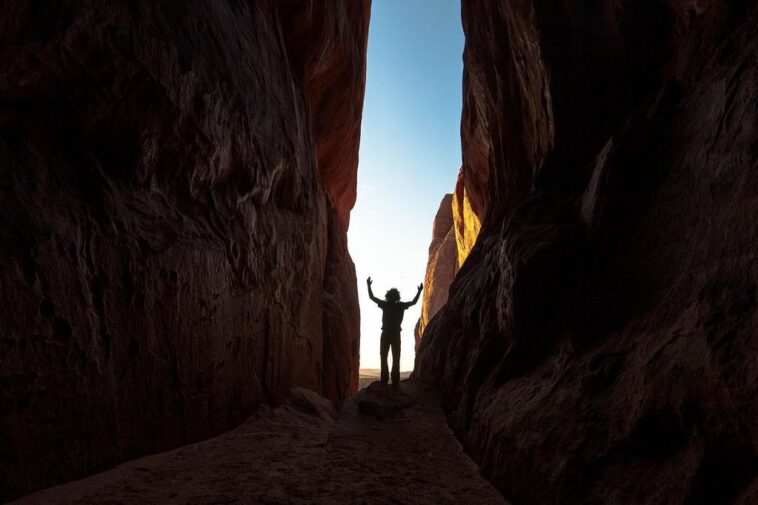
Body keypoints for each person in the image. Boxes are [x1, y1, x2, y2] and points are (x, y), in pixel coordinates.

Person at [366, 276, 423, 387]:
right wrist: (419, 291)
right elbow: (413, 302)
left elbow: (372, 297)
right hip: (395, 334)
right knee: (394, 357)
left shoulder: (386, 304)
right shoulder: (400, 306)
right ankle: (394, 381)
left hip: (387, 333)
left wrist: (368, 285)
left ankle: (385, 380)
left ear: (390, 296)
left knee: (385, 356)